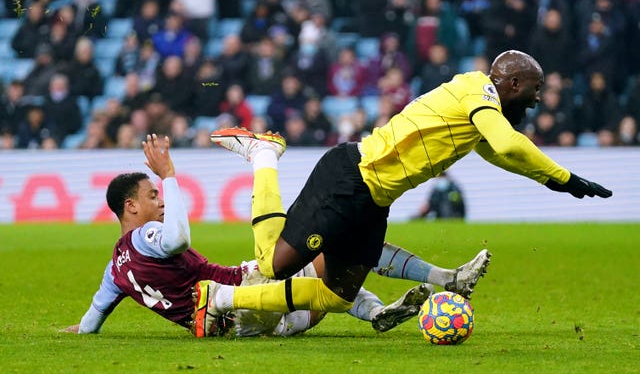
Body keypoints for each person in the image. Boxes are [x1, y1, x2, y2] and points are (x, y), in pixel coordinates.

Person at [202, 50, 612, 332]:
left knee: (338, 297)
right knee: (273, 265)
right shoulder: (479, 90)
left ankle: (222, 300)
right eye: (535, 90)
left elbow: (499, 154)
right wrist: (564, 177)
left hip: (373, 201)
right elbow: (507, 143)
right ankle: (264, 155)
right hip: (350, 178)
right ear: (514, 82)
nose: (538, 100)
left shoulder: (479, 110)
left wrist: (550, 180)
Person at [63, 134, 489, 337]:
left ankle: (377, 312)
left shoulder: (115, 269)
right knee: (341, 243)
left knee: (330, 288)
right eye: (152, 195)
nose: (160, 200)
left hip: (237, 328)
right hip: (242, 290)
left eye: (160, 193)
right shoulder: (148, 234)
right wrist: (170, 176)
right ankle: (445, 280)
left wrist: (76, 335)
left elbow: (92, 319)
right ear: (130, 208)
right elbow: (175, 239)